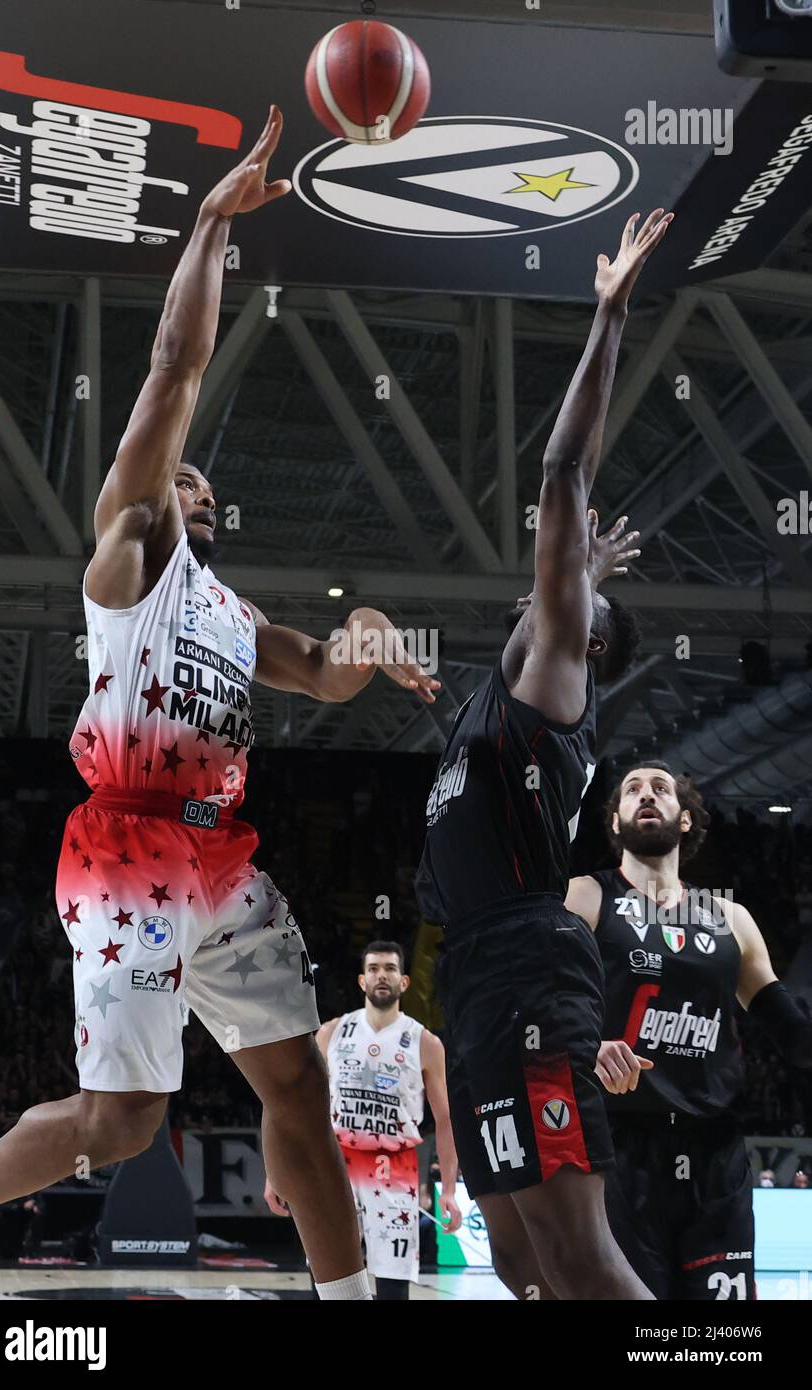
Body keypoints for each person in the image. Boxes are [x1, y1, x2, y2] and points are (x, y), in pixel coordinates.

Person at [0, 107, 439, 1303]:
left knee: (296, 1088)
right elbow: (173, 375)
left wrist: (369, 637)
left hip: (220, 862)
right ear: (145, 489)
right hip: (126, 849)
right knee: (122, 1122)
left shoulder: (231, 616)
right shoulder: (130, 563)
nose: (193, 477)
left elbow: (325, 671)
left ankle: (345, 1296)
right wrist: (211, 228)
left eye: (200, 478)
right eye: (176, 469)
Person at [413, 208, 673, 1301]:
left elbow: (563, 471)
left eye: (569, 595)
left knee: (576, 1253)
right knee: (516, 1263)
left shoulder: (553, 683)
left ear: (583, 633)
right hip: (473, 978)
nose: (550, 587)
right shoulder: (489, 697)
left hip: (526, 972)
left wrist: (608, 315)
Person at [563, 762, 812, 1299]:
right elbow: (529, 1004)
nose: (646, 795)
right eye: (631, 790)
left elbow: (795, 1038)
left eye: (660, 788)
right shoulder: (586, 896)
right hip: (618, 1148)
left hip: (715, 1153)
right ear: (614, 821)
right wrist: (587, 1044)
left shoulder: (729, 916)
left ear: (684, 820)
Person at [265, 941, 462, 1299]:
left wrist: (448, 1189)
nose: (381, 975)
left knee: (391, 1283)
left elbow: (446, 1119)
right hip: (334, 1163)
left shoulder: (425, 1042)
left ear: (404, 982)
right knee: (327, 1274)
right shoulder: (331, 1033)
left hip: (395, 1170)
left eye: (389, 968)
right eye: (373, 969)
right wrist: (276, 1174)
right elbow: (296, 1105)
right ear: (361, 980)